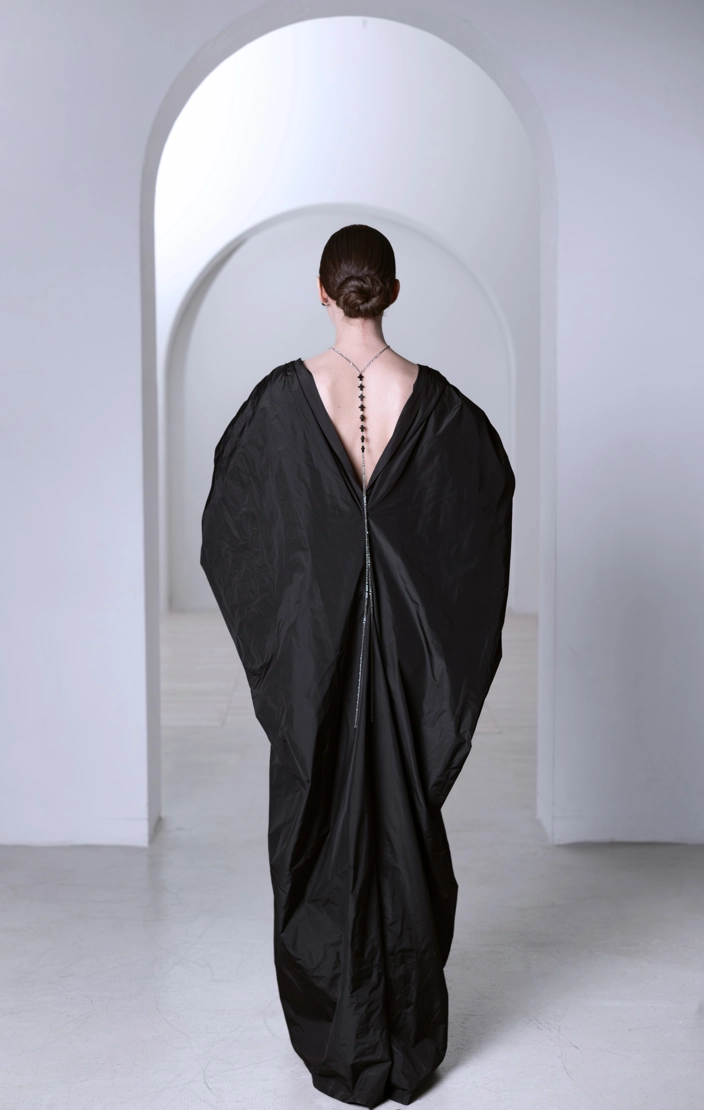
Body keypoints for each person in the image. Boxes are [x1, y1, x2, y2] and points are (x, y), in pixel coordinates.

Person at [200, 224, 515, 1107]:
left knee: (316, 831)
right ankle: (405, 1039)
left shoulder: (284, 398)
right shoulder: (438, 405)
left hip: (317, 664)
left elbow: (233, 525)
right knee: (403, 832)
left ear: (323, 291)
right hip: (405, 664)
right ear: (392, 291)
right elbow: (481, 510)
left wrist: (298, 615)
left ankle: (340, 1036)